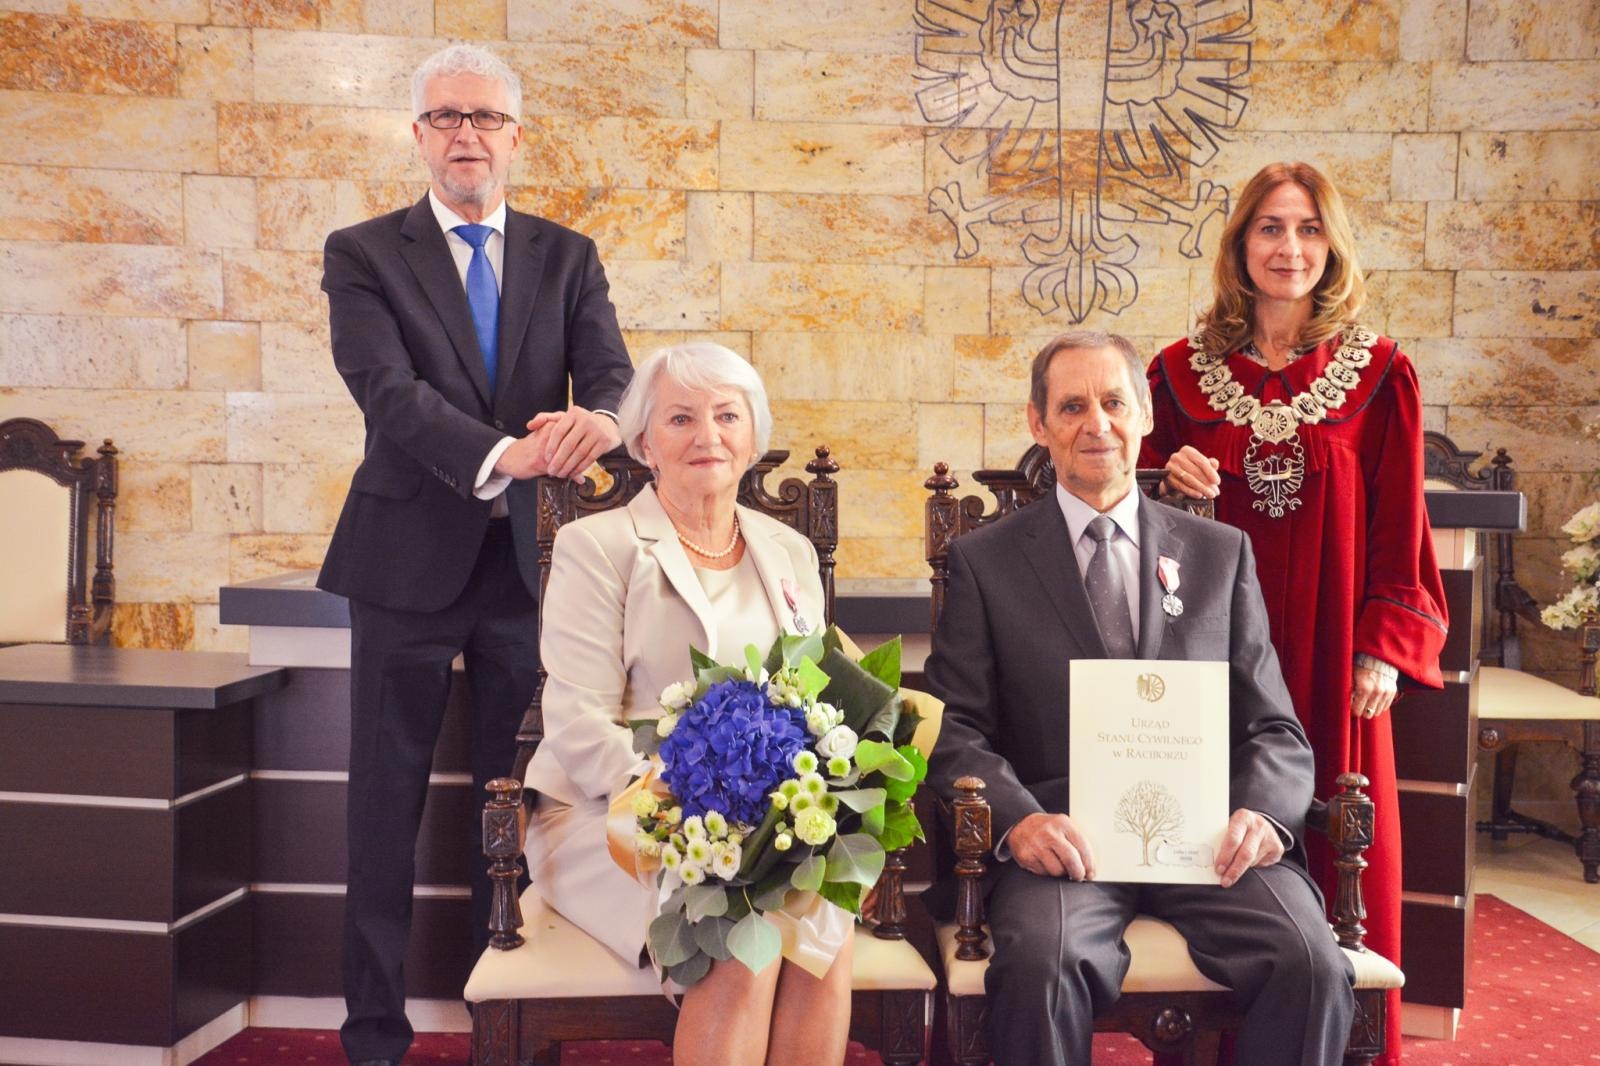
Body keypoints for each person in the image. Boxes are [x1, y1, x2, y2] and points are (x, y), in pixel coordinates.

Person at [317, 43, 633, 1066]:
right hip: (403, 560)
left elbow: (616, 377)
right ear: (417, 136)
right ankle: (372, 1032)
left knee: (517, 803)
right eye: (446, 116)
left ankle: (495, 1008)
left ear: (515, 137)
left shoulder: (567, 253)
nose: (466, 134)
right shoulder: (363, 251)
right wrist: (510, 452)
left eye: (485, 118)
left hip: (533, 571)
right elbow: (387, 394)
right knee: (383, 807)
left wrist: (604, 428)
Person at [925, 330, 1355, 1065]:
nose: (1097, 423)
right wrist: (1020, 823)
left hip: (1209, 841)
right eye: (1072, 406)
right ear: (1038, 423)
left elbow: (1275, 728)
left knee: (1312, 963)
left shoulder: (1220, 555)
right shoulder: (982, 561)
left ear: (1145, 414)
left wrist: (1262, 816)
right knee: (1040, 967)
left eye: (1114, 402)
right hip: (1068, 848)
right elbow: (955, 727)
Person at [1142, 161, 1447, 1064]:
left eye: (1309, 230)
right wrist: (1168, 475)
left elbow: (1402, 518)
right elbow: (1116, 494)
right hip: (1210, 653)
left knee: (1338, 838)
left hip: (1330, 649)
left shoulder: (1382, 372)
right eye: (1271, 229)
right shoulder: (1174, 374)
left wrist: (1384, 644)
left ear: (1332, 246)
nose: (1290, 248)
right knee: (1221, 837)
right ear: (1241, 246)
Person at [522, 344, 853, 1065]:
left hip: (763, 819)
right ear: (645, 442)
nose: (708, 435)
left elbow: (816, 695)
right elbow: (577, 724)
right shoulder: (598, 546)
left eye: (727, 415)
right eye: (681, 417)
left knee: (826, 917)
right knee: (742, 922)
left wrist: (789, 803)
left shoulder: (790, 551)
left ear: (754, 435)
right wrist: (694, 802)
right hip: (606, 815)